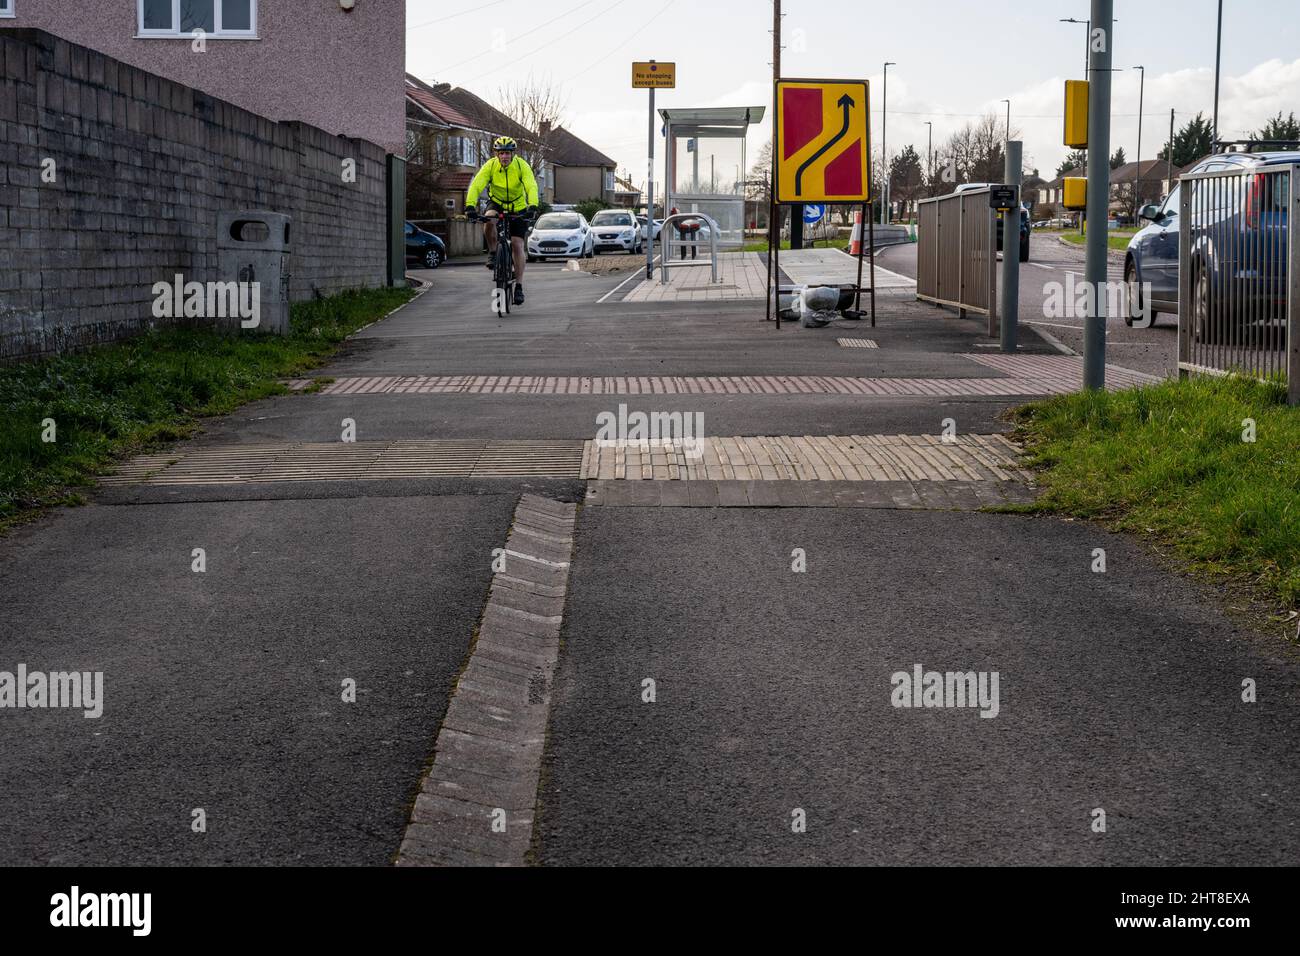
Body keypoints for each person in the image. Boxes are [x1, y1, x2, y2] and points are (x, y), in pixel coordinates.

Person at [465, 136, 538, 305]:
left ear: (513, 154)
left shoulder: (521, 166)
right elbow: (477, 185)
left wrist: (532, 206)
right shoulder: (490, 166)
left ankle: (518, 286)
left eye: (508, 153)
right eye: (501, 153)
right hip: (496, 202)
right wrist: (470, 206)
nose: (505, 156)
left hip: (518, 206)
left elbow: (531, 185)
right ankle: (492, 253)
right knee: (489, 220)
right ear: (496, 154)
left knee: (517, 244)